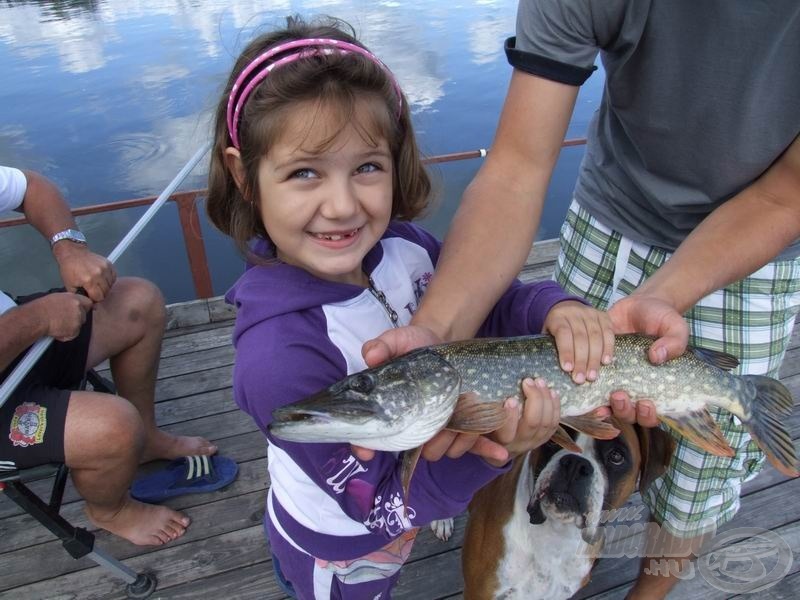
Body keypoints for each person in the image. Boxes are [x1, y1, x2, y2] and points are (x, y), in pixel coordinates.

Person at [363, 1, 800, 598]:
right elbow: (516, 166)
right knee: (551, 426)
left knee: (697, 484)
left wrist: (668, 291)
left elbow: (786, 195)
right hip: (614, 212)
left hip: (761, 244)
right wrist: (435, 329)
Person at [205, 15, 615, 599]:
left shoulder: (402, 245)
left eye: (366, 167)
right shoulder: (278, 358)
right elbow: (382, 506)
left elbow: (492, 306)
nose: (342, 206)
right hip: (342, 553)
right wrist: (501, 450)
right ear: (243, 175)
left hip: (414, 497)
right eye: (304, 173)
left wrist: (553, 306)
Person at [0, 165, 218, 546]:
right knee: (115, 426)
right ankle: (111, 510)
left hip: (15, 335)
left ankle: (146, 438)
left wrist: (70, 248)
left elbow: (30, 187)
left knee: (139, 302)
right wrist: (36, 320)